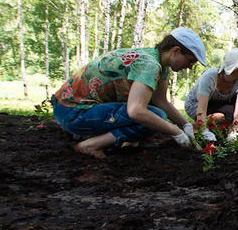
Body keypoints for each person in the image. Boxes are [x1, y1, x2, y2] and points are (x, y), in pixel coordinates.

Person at [52, 27, 206, 158]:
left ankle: (121, 140)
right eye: (190, 61)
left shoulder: (159, 63)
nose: (190, 67)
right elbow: (136, 111)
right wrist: (175, 131)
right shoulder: (149, 64)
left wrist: (186, 126)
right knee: (156, 116)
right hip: (72, 111)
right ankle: (90, 145)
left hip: (71, 109)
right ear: (175, 50)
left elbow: (161, 101)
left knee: (155, 111)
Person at [184, 48, 238, 142]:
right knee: (220, 116)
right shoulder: (210, 77)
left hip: (217, 104)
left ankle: (223, 128)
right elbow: (201, 108)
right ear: (233, 67)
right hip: (196, 105)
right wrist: (204, 131)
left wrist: (234, 131)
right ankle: (195, 127)